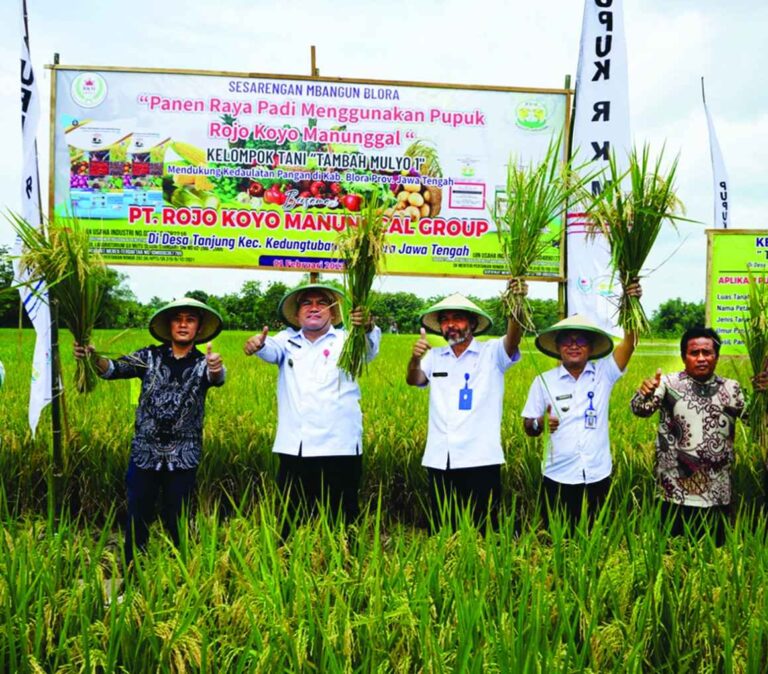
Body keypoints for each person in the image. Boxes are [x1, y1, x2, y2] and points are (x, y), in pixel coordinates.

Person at [73, 297, 225, 569]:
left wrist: (216, 367)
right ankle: (133, 575)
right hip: (145, 453)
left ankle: (182, 574)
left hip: (183, 456)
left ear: (198, 328)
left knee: (178, 519)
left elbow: (218, 377)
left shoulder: (204, 364)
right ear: (169, 325)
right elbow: (114, 370)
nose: (183, 324)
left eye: (190, 319)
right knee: (137, 517)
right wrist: (92, 357)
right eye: (178, 319)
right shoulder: (148, 357)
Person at [244, 284, 380, 532]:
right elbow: (269, 349)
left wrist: (367, 326)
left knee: (342, 522)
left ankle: (345, 565)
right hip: (297, 446)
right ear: (297, 314)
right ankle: (285, 566)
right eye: (307, 303)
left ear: (333, 313)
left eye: (322, 303)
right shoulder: (286, 340)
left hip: (340, 446)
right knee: (290, 519)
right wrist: (257, 344)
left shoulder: (348, 340)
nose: (315, 308)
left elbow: (369, 350)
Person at [406, 279, 527, 531]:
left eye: (458, 318)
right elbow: (415, 379)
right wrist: (415, 359)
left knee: (484, 529)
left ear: (472, 323)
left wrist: (517, 304)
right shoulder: (435, 356)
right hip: (442, 457)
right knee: (442, 529)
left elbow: (513, 338)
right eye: (445, 319)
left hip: (480, 458)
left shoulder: (492, 353)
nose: (451, 324)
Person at [630, 326, 768, 544]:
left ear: (717, 356)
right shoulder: (668, 384)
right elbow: (640, 409)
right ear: (684, 356)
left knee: (713, 557)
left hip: (717, 494)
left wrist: (763, 396)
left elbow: (757, 421)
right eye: (694, 353)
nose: (701, 358)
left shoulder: (731, 389)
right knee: (671, 556)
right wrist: (644, 392)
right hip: (673, 493)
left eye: (707, 352)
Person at [521, 283, 641, 529]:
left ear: (590, 348)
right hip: (557, 477)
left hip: (597, 475)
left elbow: (629, 343)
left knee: (596, 542)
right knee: (557, 543)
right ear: (557, 347)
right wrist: (540, 423)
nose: (573, 345)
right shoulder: (543, 381)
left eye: (580, 341)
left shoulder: (604, 373)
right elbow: (528, 426)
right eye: (567, 341)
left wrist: (632, 305)